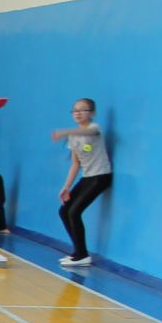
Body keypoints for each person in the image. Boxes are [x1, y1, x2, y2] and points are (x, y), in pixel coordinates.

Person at [50, 97, 111, 268]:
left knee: (74, 212)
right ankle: (78, 251)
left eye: (82, 110)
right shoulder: (73, 136)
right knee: (64, 211)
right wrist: (66, 186)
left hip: (101, 176)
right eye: (74, 110)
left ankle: (83, 255)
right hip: (87, 177)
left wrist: (63, 132)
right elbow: (76, 163)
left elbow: (89, 134)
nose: (77, 113)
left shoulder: (94, 128)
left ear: (92, 113)